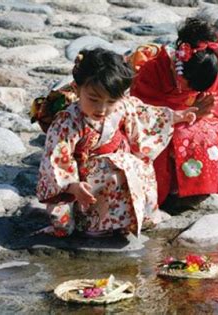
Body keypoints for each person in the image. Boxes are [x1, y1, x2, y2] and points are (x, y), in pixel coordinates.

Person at [36, 48, 197, 237]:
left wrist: (175, 117)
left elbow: (145, 116)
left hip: (121, 165)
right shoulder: (67, 122)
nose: (102, 109)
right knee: (115, 172)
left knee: (140, 167)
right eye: (93, 99)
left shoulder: (123, 105)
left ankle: (134, 218)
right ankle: (95, 224)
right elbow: (56, 161)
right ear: (78, 89)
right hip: (86, 183)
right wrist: (72, 186)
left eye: (110, 101)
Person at [130, 17, 218, 204]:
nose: (191, 89)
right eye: (188, 83)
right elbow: (140, 111)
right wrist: (184, 115)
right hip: (158, 123)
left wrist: (205, 113)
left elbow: (215, 104)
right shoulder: (154, 70)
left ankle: (203, 186)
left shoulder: (206, 68)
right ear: (178, 65)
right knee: (177, 137)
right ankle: (172, 188)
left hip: (194, 118)